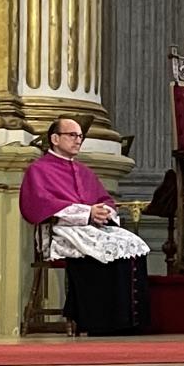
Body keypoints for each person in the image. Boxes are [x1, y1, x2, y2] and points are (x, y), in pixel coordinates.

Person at [19, 117, 151, 336]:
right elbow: (40, 204)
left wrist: (103, 212)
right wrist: (86, 213)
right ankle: (101, 323)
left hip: (91, 228)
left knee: (133, 244)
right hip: (62, 232)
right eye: (72, 135)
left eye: (80, 136)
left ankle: (129, 322)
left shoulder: (83, 170)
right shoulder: (39, 170)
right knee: (104, 251)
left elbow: (105, 199)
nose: (78, 140)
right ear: (54, 138)